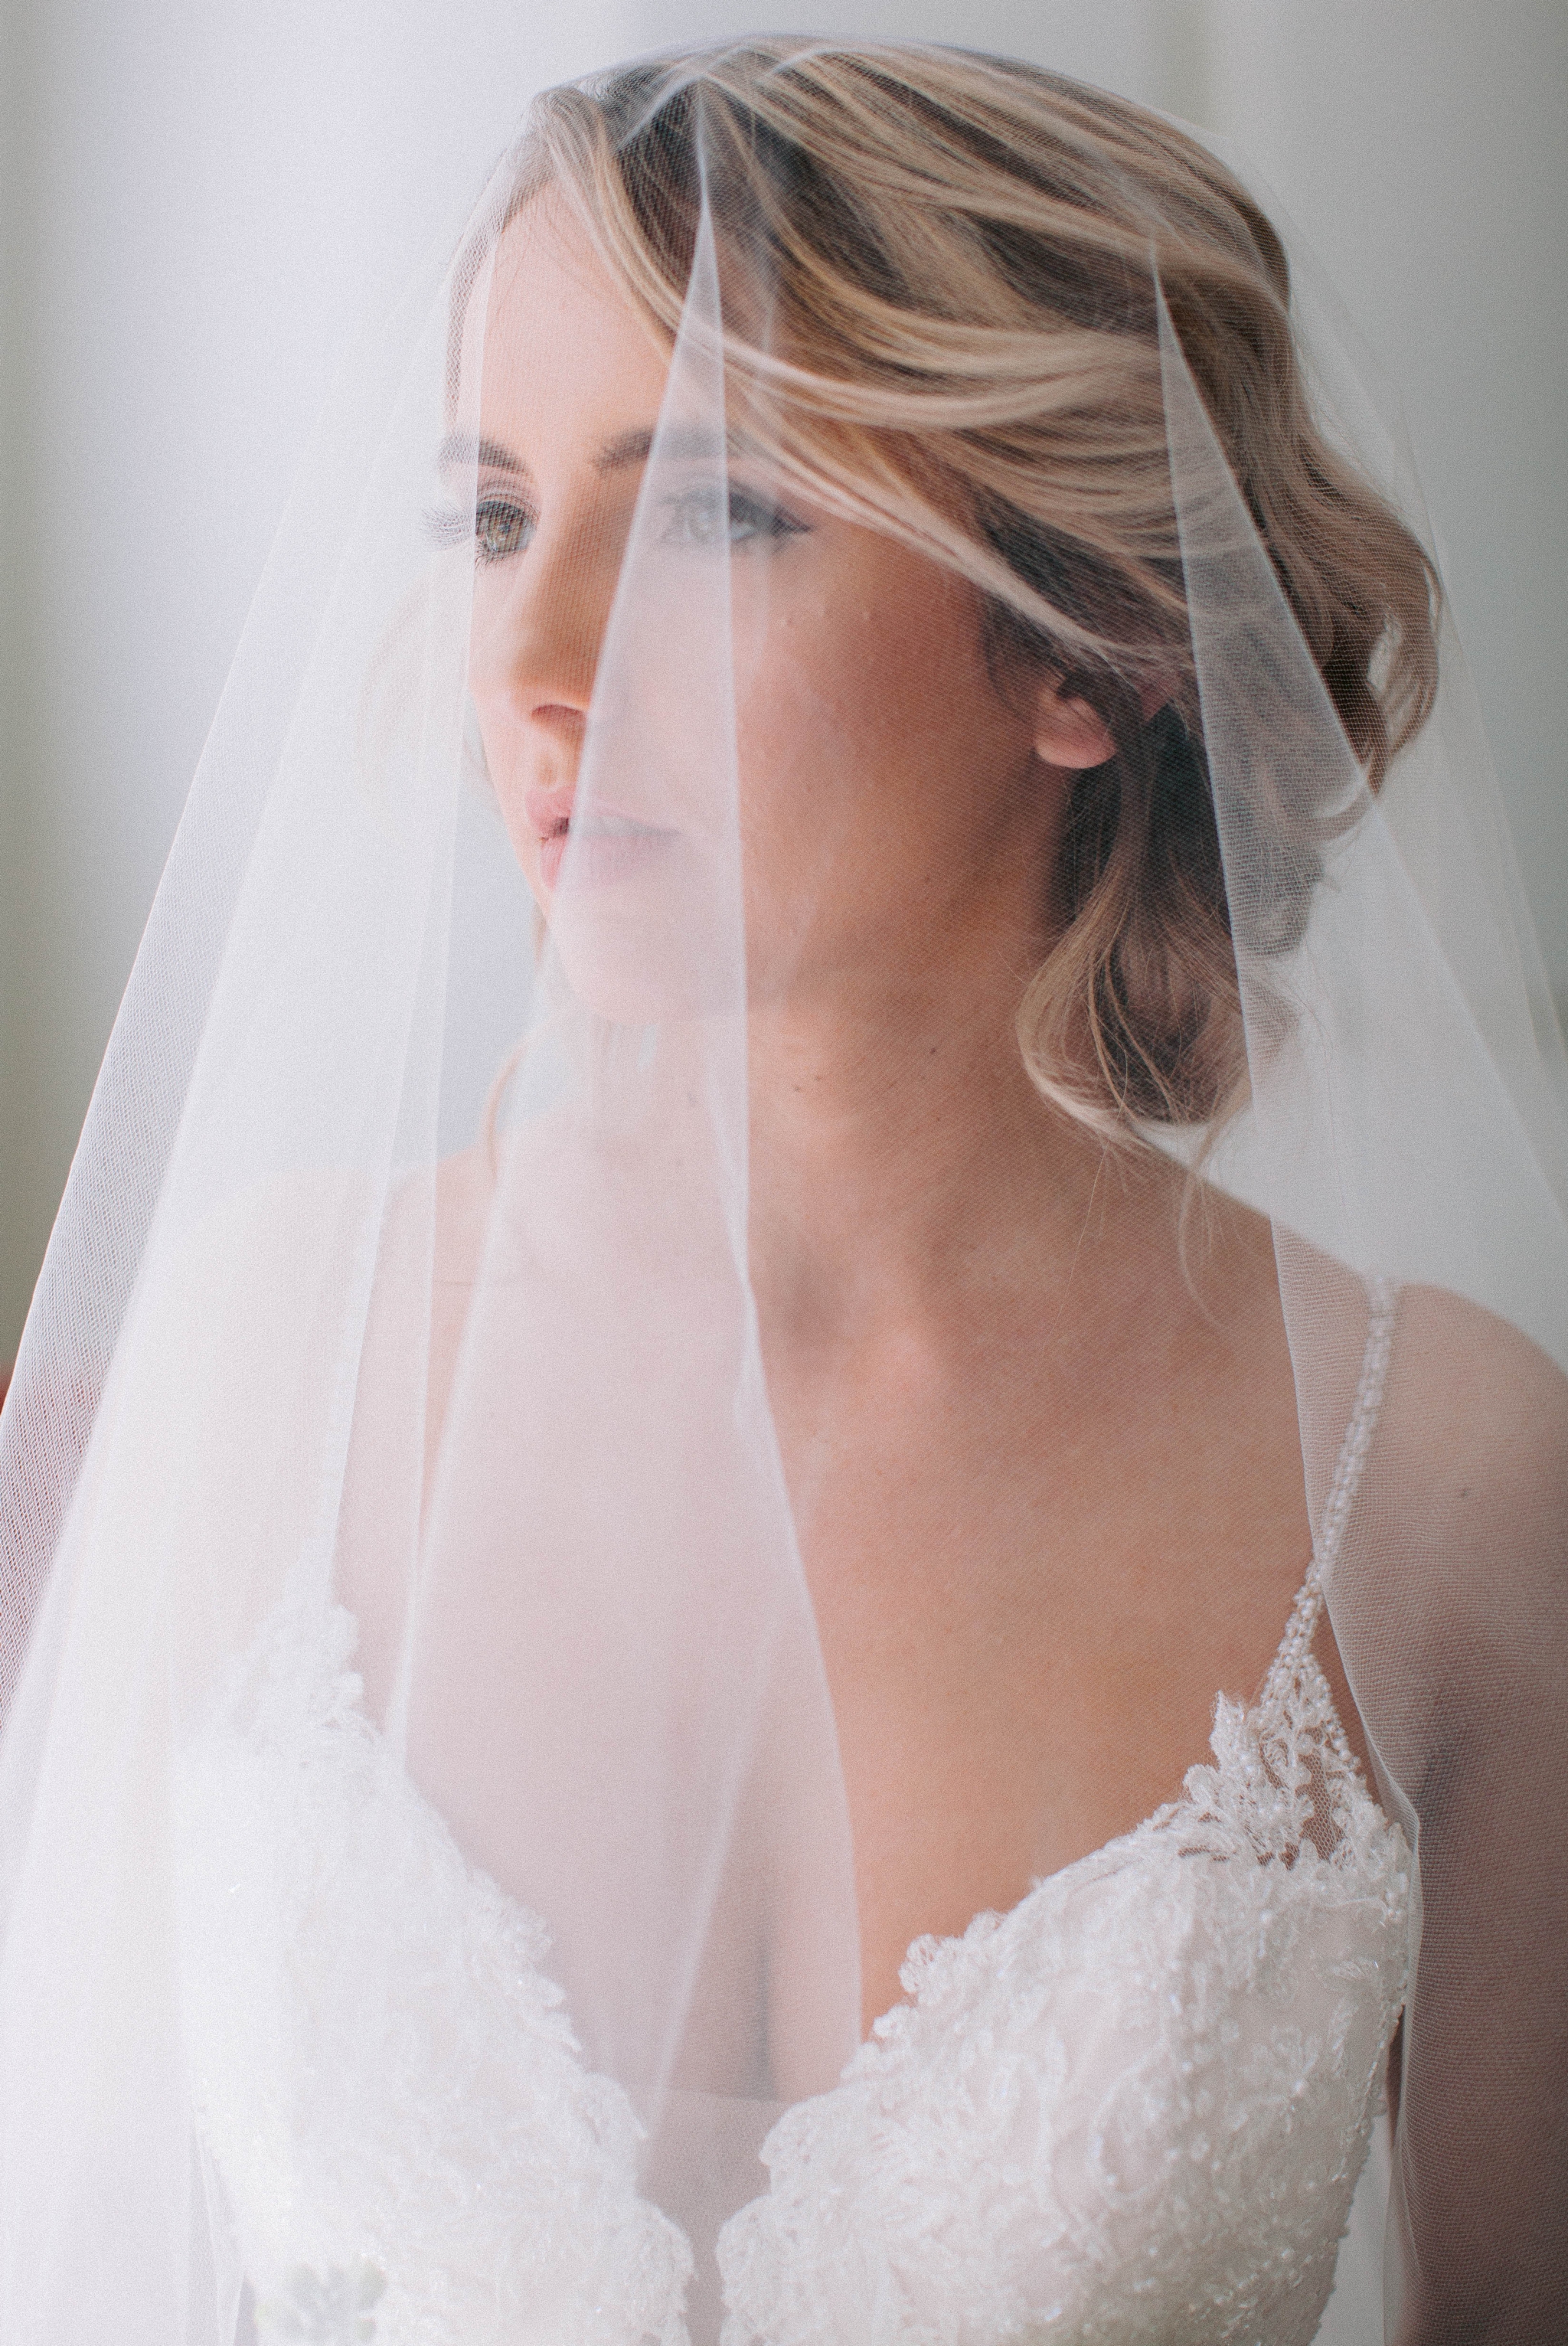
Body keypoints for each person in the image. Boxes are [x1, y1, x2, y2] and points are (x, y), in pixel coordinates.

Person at [0, 37, 1563, 2346]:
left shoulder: (1446, 1476)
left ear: (1089, 642)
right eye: (492, 516)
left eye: (715, 511)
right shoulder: (257, 1357)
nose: (532, 670)